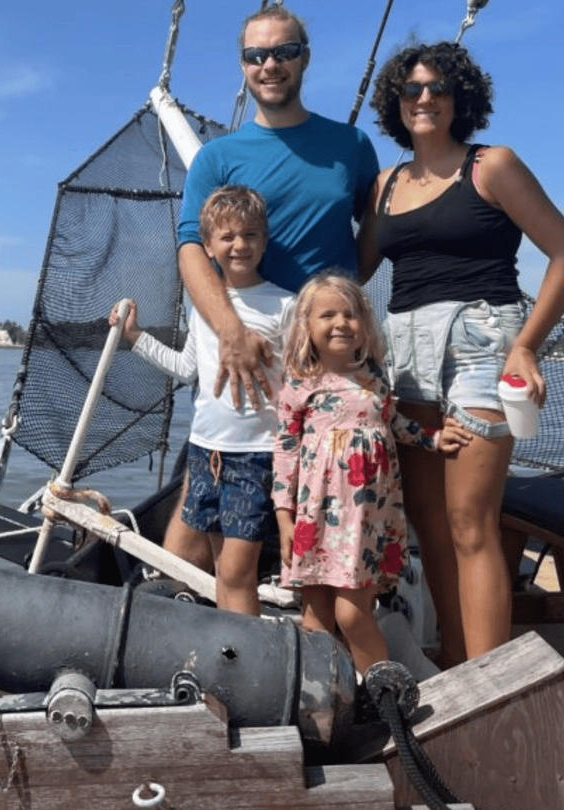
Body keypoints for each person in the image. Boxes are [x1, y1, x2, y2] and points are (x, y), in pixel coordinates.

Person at [359, 41, 564, 666]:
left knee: (470, 522)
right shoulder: (383, 186)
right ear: (395, 102)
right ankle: (459, 667)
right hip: (405, 352)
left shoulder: (492, 166)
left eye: (438, 87)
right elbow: (349, 275)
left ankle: (491, 688)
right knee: (429, 526)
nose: (425, 98)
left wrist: (526, 347)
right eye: (412, 89)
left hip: (482, 345)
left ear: (460, 98)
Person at [177, 5, 380, 411]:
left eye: (284, 52)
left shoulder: (351, 146)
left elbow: (375, 230)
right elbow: (191, 248)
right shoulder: (216, 158)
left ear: (305, 57)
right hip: (250, 353)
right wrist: (232, 331)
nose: (269, 65)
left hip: (334, 360)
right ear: (243, 65)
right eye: (256, 55)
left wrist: (339, 295)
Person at [272, 274, 473, 674]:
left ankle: (386, 695)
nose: (341, 323)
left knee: (352, 614)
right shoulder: (300, 383)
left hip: (364, 521)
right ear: (306, 326)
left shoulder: (374, 376)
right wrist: (283, 516)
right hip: (317, 518)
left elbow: (393, 422)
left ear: (364, 323)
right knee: (315, 614)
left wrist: (433, 438)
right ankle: (325, 696)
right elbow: (285, 450)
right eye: (327, 315)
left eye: (350, 314)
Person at [111, 185, 295, 616]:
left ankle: (246, 651)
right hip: (205, 452)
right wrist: (134, 337)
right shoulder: (202, 308)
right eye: (227, 236)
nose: (239, 244)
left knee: (237, 571)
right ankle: (228, 645)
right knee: (218, 569)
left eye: (250, 235)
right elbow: (185, 369)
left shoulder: (285, 305)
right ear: (208, 247)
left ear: (264, 241)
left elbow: (300, 382)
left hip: (256, 456)